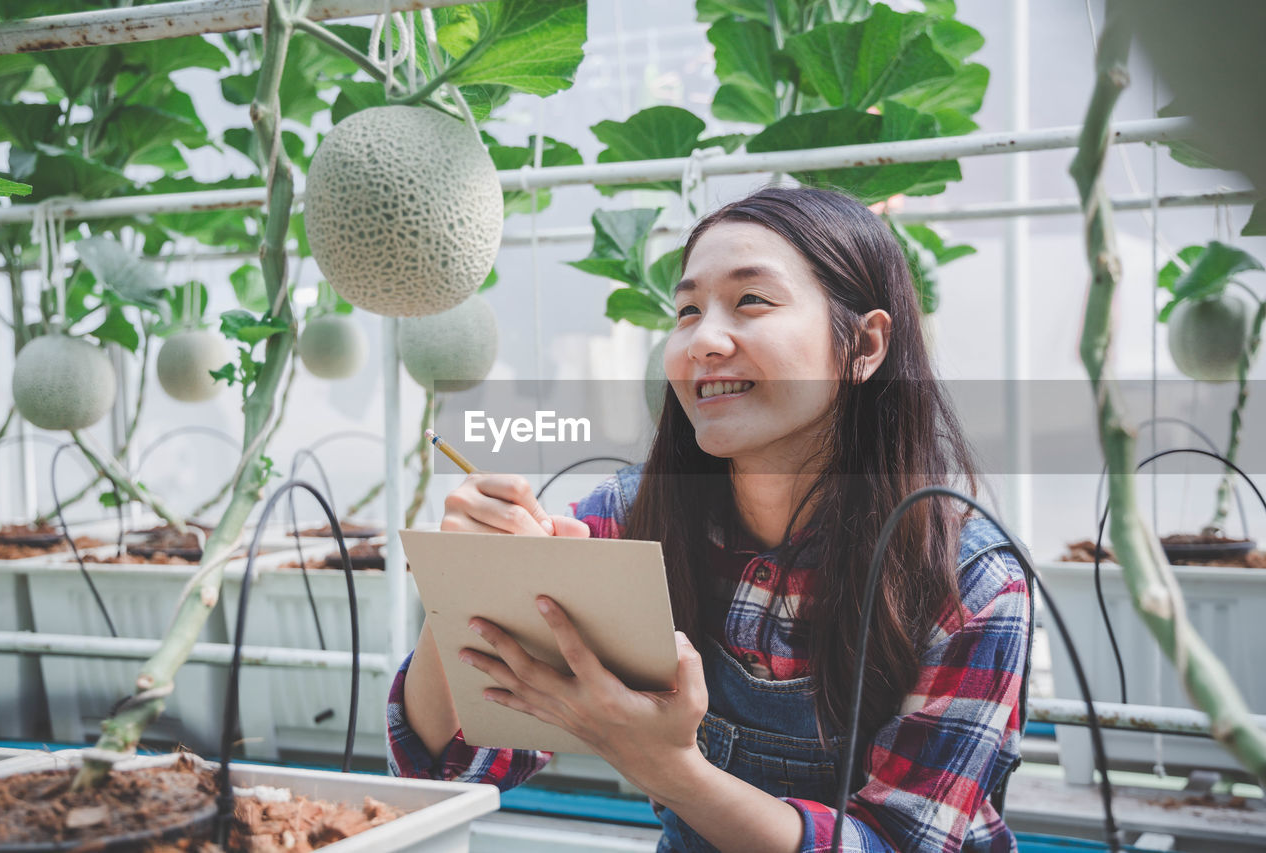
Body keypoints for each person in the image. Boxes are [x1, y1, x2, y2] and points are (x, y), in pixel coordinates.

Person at [387, 187, 1031, 853]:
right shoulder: (631, 517)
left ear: (864, 344)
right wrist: (471, 587)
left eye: (751, 301)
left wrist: (670, 769)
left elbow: (899, 844)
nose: (704, 340)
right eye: (687, 310)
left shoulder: (970, 584)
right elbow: (446, 763)